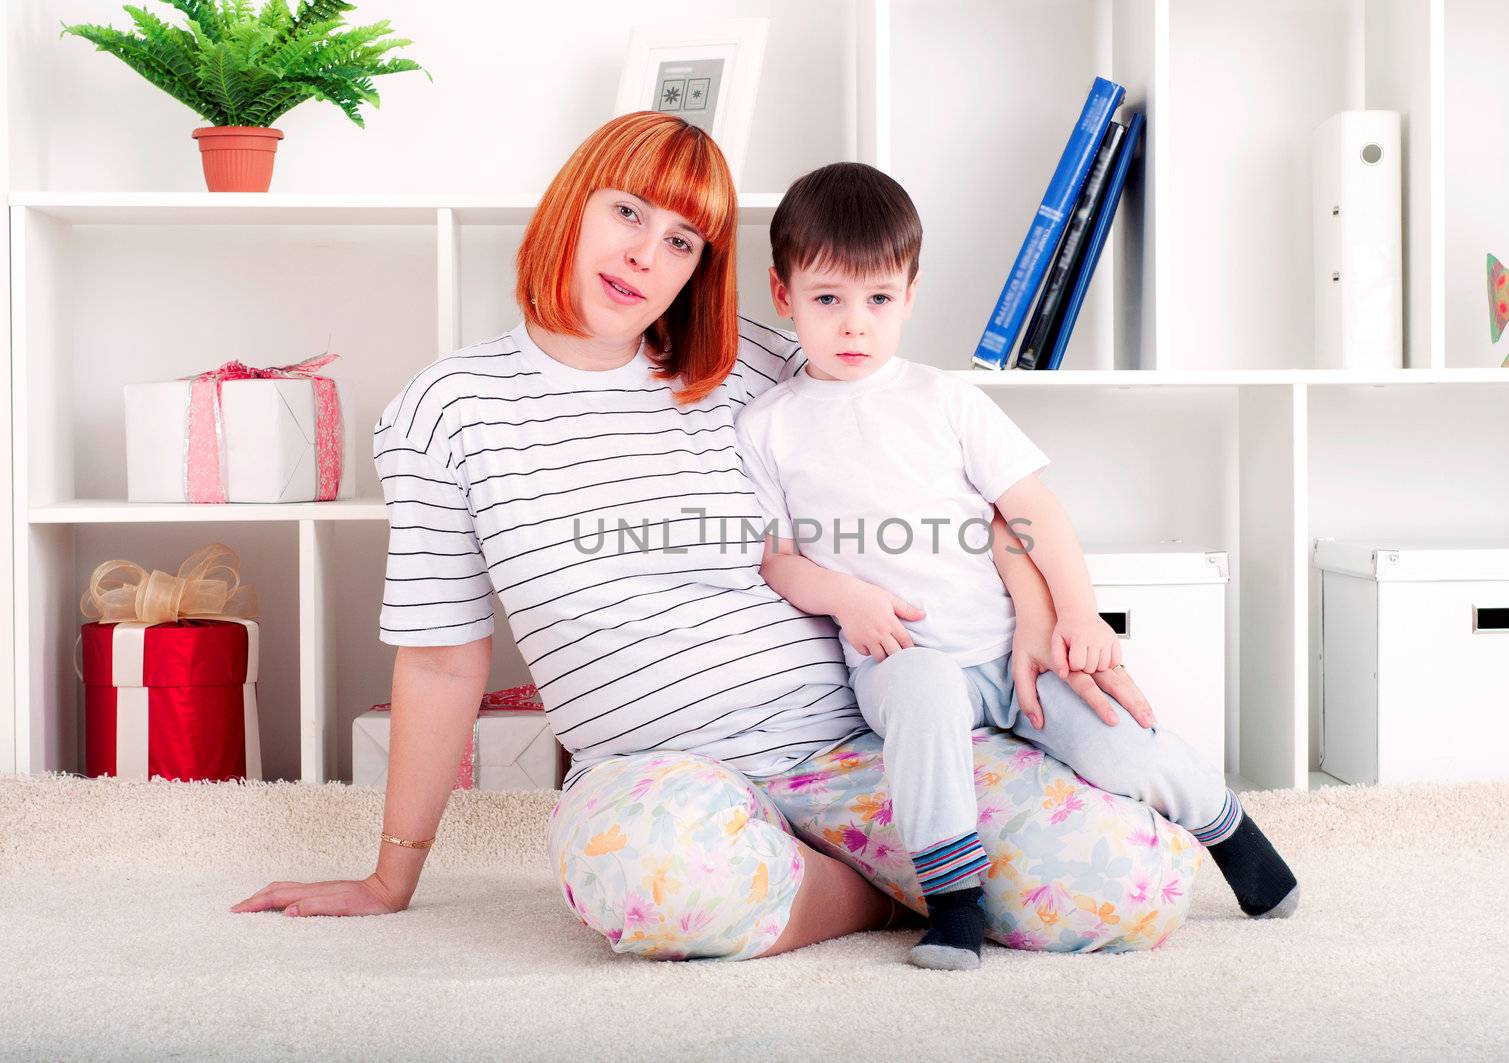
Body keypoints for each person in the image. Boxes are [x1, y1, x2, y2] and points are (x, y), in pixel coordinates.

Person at [229, 112, 1207, 962]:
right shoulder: (447, 409)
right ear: (572, 204)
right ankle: (879, 889)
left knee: (1129, 887)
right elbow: (442, 659)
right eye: (626, 213)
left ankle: (879, 860)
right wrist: (389, 877)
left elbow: (959, 461)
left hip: (859, 740)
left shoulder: (757, 360)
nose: (643, 256)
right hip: (658, 772)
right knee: (662, 884)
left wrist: (1043, 613)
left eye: (683, 241)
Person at [734, 162, 1299, 970]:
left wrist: (1075, 612)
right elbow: (778, 558)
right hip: (900, 654)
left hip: (1009, 647)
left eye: (879, 300)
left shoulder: (944, 399)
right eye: (827, 299)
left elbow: (1032, 511)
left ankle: (1230, 830)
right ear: (782, 293)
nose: (854, 325)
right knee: (924, 697)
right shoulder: (770, 425)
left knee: (1116, 738)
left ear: (910, 293)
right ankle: (955, 900)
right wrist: (845, 596)